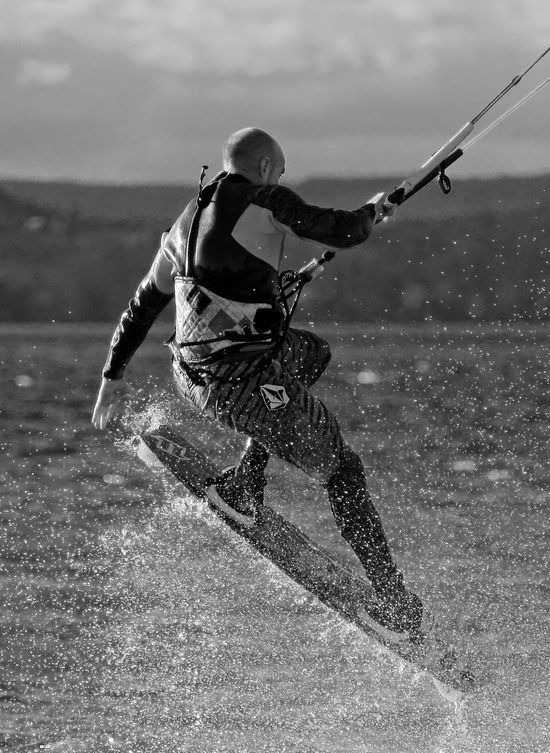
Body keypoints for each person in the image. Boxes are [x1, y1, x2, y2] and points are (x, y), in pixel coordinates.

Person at [91, 127, 427, 641]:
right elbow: (342, 231)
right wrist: (370, 213)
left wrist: (110, 378)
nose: (283, 178)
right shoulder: (266, 198)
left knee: (313, 352)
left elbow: (142, 306)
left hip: (191, 375)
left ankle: (246, 482)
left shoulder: (183, 223)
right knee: (343, 471)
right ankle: (392, 603)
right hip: (243, 383)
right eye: (283, 170)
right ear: (267, 167)